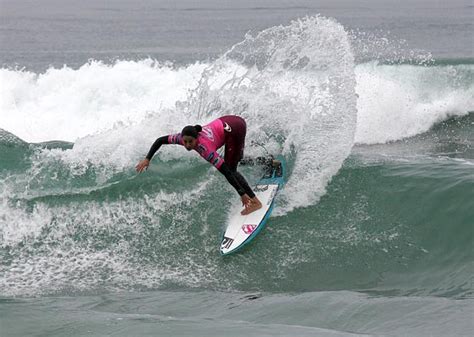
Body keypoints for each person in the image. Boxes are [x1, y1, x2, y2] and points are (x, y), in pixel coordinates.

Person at [136, 115, 263, 215]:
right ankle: (267, 162)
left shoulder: (205, 149)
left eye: (190, 142)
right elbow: (160, 140)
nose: (187, 145)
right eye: (185, 142)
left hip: (235, 128)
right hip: (228, 121)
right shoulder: (181, 138)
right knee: (234, 159)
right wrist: (147, 158)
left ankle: (255, 202)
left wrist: (242, 194)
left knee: (231, 168)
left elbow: (226, 172)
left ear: (197, 138)